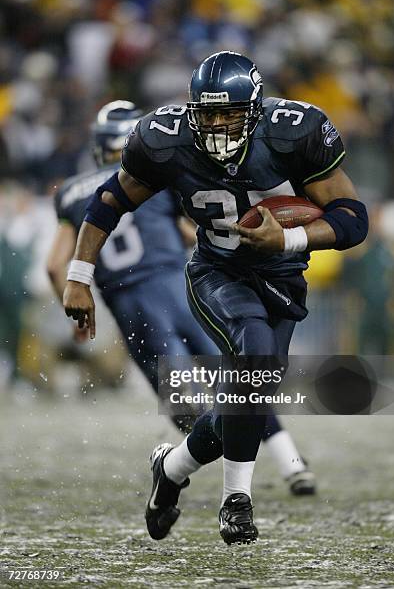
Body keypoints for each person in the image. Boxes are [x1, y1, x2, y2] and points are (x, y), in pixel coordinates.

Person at [63, 52, 368, 544]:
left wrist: (289, 240)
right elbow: (110, 200)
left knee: (247, 395)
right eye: (207, 113)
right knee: (251, 354)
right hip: (217, 271)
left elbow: (353, 217)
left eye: (229, 112)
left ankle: (173, 467)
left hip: (284, 274)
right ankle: (237, 503)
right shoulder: (166, 139)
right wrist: (79, 273)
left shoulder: (295, 131)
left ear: (255, 108)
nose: (218, 123)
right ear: (192, 110)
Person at [50, 98, 316, 496]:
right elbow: (196, 232)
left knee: (187, 409)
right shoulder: (160, 174)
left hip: (130, 307)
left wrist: (76, 301)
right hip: (180, 290)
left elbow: (57, 265)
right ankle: (291, 462)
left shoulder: (73, 192)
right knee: (245, 380)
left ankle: (179, 471)